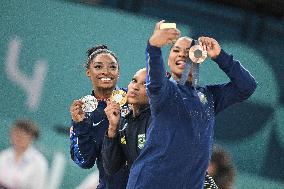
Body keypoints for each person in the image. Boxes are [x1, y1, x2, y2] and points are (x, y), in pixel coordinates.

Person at [126, 21, 257, 189]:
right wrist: (154, 47)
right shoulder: (165, 90)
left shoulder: (209, 97)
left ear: (198, 57)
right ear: (169, 59)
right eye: (176, 50)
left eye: (188, 52)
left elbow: (247, 86)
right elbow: (155, 80)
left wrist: (220, 56)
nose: (181, 55)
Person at [102, 68, 219, 189]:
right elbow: (112, 167)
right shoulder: (124, 122)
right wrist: (112, 129)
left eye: (146, 84)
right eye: (134, 80)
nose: (135, 87)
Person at [69, 45, 128, 189]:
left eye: (112, 67)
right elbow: (85, 161)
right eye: (98, 67)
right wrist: (80, 125)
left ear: (118, 73)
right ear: (88, 72)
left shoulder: (133, 99)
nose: (106, 72)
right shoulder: (84, 113)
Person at [0, 119, 48, 189]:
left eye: (22, 135)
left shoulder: (39, 162)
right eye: (15, 133)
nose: (18, 138)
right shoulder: (4, 155)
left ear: (31, 138)